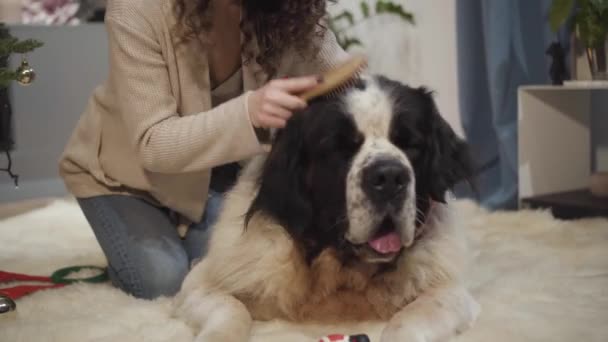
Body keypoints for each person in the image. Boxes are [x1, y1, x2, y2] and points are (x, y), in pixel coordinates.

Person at [58, 0, 350, 300]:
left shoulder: (280, 10)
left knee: (237, 270)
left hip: (204, 174)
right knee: (164, 281)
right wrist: (249, 112)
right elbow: (153, 142)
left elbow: (343, 76)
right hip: (121, 177)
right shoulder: (135, 9)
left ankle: (180, 229)